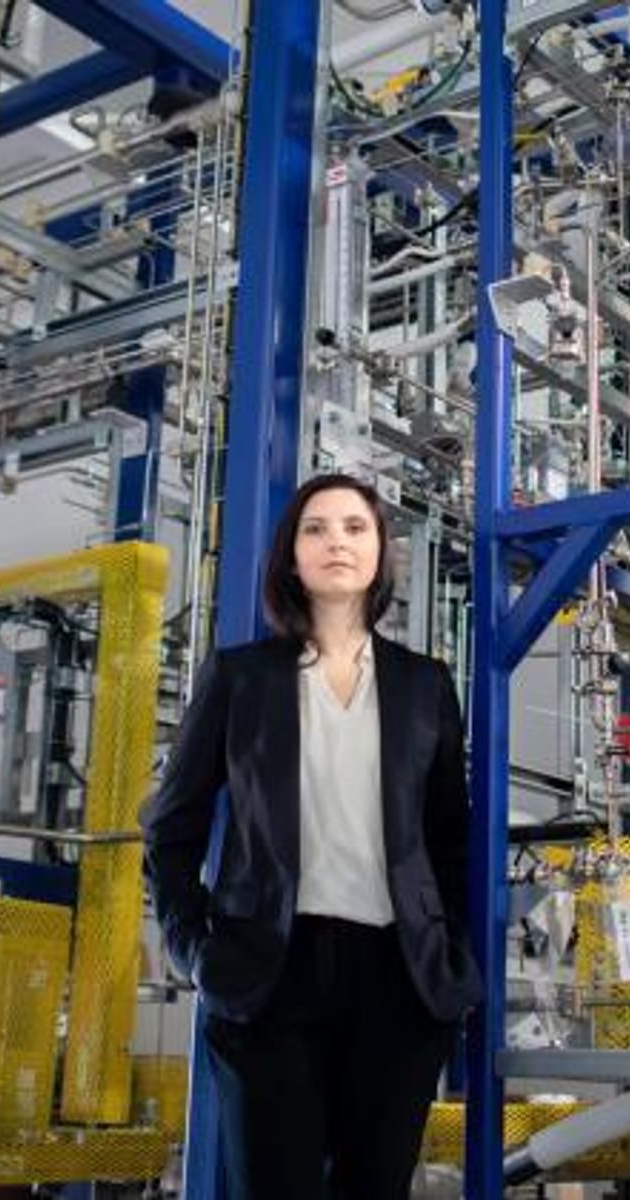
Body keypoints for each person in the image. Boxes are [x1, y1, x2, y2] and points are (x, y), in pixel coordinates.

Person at [143, 473, 483, 1200]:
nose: (337, 542)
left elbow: (451, 839)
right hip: (270, 971)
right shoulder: (241, 678)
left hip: (398, 978)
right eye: (317, 528)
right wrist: (195, 951)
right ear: (290, 557)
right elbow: (172, 829)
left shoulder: (426, 685)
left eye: (355, 528)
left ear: (381, 553)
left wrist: (455, 954)